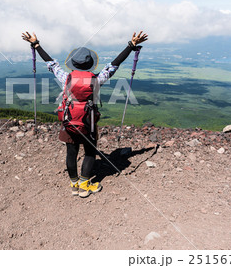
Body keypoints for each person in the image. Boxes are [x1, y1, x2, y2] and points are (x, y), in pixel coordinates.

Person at [22, 31, 148, 198]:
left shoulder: (66, 78)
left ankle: (74, 185)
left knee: (71, 152)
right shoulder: (96, 79)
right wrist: (130, 46)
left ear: (73, 63)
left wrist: (36, 45)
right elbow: (114, 65)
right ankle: (85, 184)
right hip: (88, 123)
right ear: (90, 65)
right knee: (89, 152)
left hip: (69, 121)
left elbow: (51, 63)